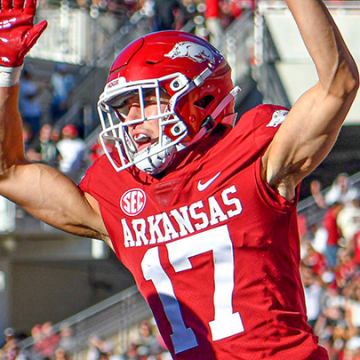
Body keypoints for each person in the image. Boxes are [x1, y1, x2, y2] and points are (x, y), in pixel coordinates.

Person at [0, 0, 358, 359]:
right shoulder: (121, 193)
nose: (132, 120)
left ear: (200, 98)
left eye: (146, 101)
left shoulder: (254, 155)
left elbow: (338, 84)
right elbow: (8, 171)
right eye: (125, 108)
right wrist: (5, 71)